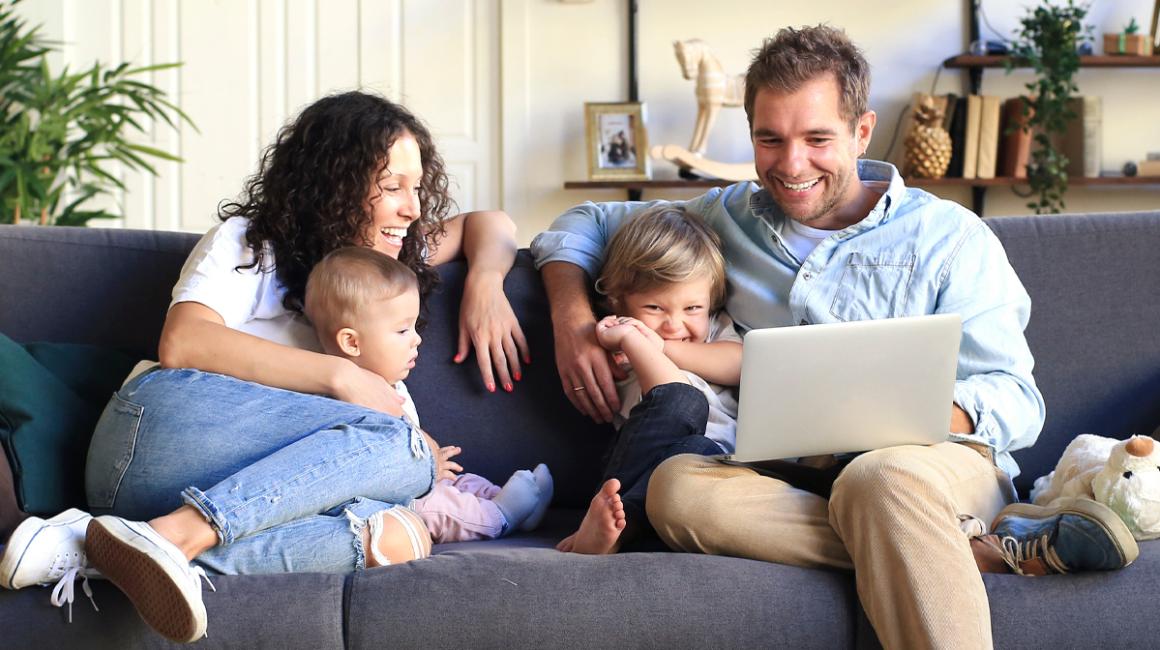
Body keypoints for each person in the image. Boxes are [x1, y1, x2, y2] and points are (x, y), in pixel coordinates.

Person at [531, 25, 1136, 650]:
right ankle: (974, 549)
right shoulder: (723, 216)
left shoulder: (951, 239)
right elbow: (585, 223)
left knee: (880, 479)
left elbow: (1016, 399)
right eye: (770, 139)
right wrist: (573, 321)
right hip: (779, 475)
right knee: (676, 490)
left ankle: (923, 521)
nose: (791, 166)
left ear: (862, 131)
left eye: (817, 138)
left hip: (929, 466)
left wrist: (909, 414)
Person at [0, 91, 528, 643]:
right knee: (405, 446)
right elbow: (184, 341)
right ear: (336, 185)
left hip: (208, 496)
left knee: (401, 532)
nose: (414, 208)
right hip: (154, 439)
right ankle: (179, 535)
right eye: (392, 187)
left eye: (416, 187)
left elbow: (488, 224)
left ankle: (96, 547)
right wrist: (345, 379)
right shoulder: (252, 244)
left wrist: (487, 284)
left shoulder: (383, 262)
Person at [303, 246, 554, 544]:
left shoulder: (390, 383)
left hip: (416, 479)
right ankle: (501, 516)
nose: (417, 339)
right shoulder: (344, 398)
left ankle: (516, 504)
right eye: (402, 331)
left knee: (461, 482)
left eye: (414, 327)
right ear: (351, 342)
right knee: (437, 508)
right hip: (389, 499)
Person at [556, 205, 741, 555]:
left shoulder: (714, 329)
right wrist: (634, 341)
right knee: (682, 404)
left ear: (711, 301)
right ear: (617, 300)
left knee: (700, 450)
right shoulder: (618, 338)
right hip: (645, 464)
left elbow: (740, 363)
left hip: (711, 467)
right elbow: (674, 395)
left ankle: (619, 535)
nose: (674, 324)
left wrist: (661, 345)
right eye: (655, 308)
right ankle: (606, 531)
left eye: (692, 309)